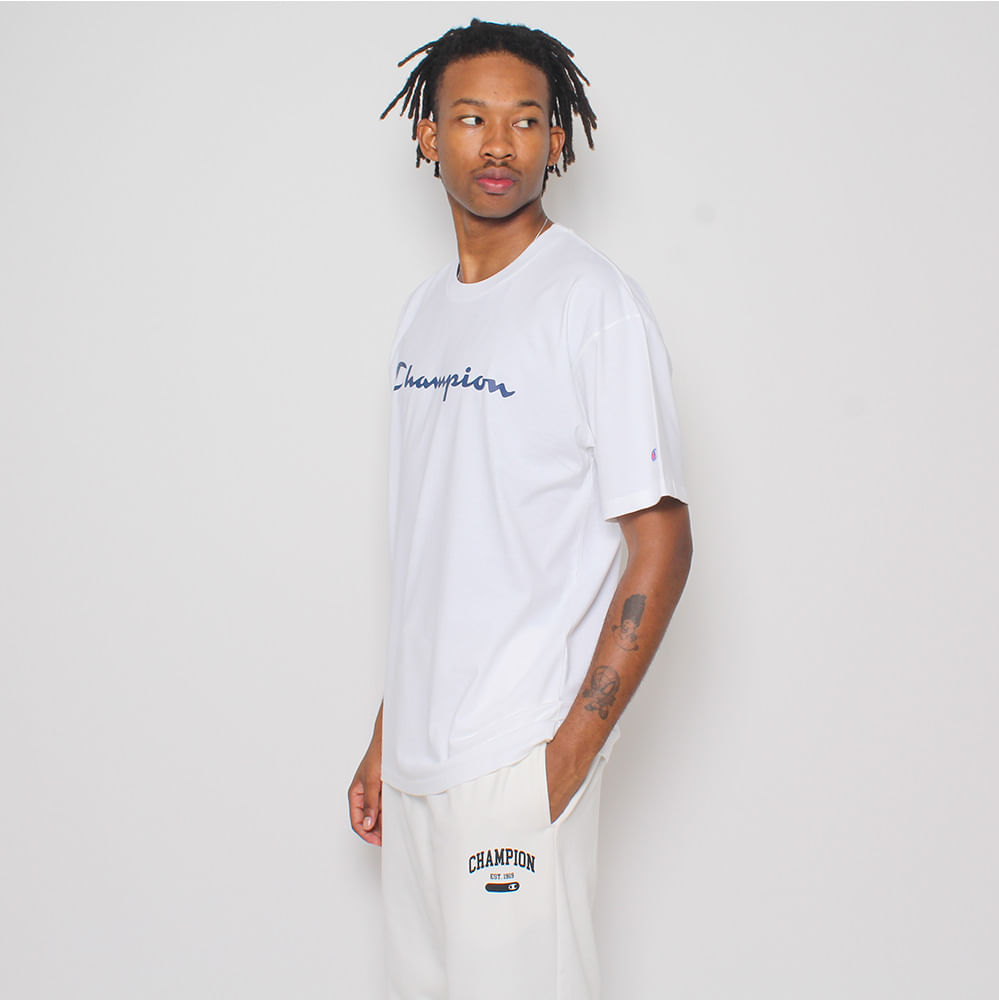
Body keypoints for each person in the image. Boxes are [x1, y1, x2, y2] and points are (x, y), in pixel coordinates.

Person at [349, 18, 693, 1000]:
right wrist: (386, 735)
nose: (498, 144)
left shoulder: (592, 305)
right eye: (471, 118)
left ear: (558, 138)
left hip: (515, 755)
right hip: (418, 762)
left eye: (525, 119)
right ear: (428, 134)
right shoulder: (424, 313)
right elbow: (441, 547)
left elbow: (662, 541)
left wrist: (567, 756)